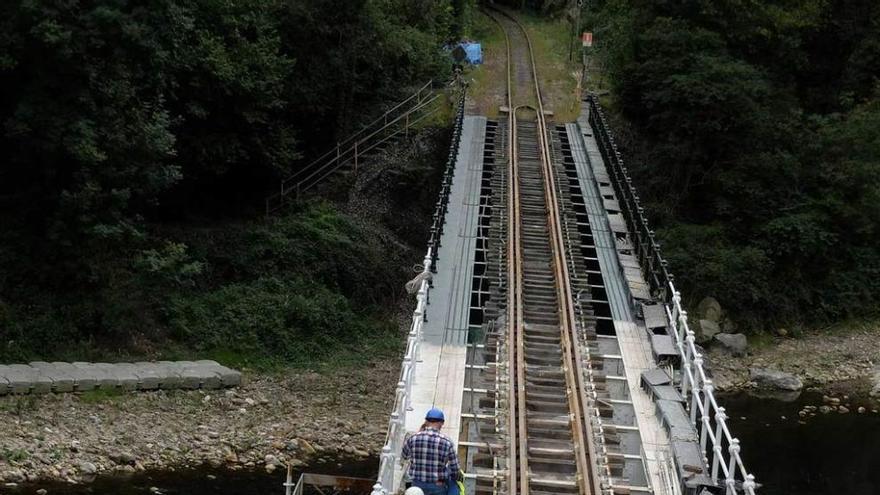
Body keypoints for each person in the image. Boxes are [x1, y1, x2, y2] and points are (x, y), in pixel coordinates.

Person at [401, 408, 462, 495]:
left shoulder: (412, 438)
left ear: (426, 421)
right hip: (438, 485)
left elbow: (404, 456)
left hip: (417, 484)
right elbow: (455, 469)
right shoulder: (447, 442)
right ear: (442, 423)